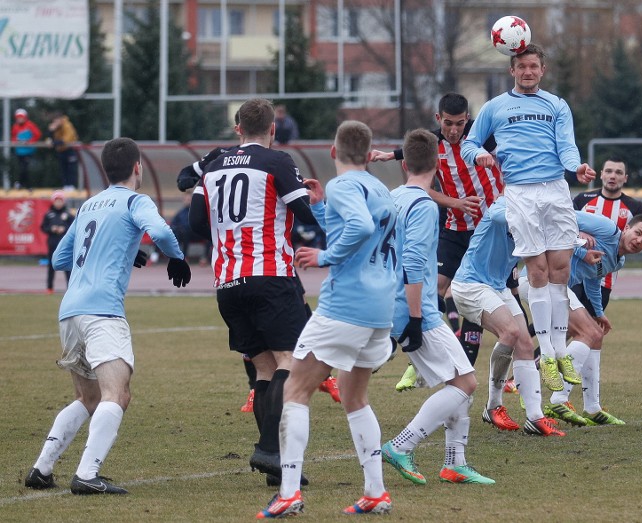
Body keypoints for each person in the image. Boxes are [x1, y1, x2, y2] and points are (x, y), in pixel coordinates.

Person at [24, 137, 191, 495]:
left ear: (104, 170)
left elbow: (58, 260)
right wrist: (176, 256)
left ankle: (42, 468)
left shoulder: (88, 205)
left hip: (70, 311)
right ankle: (87, 474)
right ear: (137, 168)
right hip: (102, 312)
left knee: (89, 398)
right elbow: (161, 231)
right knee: (118, 394)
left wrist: (119, 251)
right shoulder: (135, 199)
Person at [256, 120, 398, 518]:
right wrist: (320, 209)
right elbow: (364, 235)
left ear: (333, 153)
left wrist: (325, 257)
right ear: (370, 155)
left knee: (294, 390)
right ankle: (375, 492)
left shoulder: (345, 185)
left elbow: (358, 228)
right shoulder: (379, 188)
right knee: (355, 398)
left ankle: (288, 493)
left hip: (346, 304)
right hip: (379, 309)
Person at [188, 98, 317, 486]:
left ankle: (276, 464)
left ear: (238, 128)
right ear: (273, 129)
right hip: (269, 277)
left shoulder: (210, 168)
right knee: (291, 362)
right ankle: (268, 447)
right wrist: (311, 199)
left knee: (264, 368)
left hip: (227, 282)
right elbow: (307, 216)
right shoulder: (277, 162)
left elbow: (196, 223)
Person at [461, 43, 596, 394]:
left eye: (533, 66)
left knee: (560, 270)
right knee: (536, 271)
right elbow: (469, 142)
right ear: (512, 70)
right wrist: (479, 156)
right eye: (521, 66)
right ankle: (549, 354)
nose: (528, 72)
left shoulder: (556, 105)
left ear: (542, 70)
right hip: (520, 192)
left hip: (555, 189)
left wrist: (576, 166)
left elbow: (566, 145)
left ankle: (561, 350)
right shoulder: (494, 107)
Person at [382, 129, 494, 486]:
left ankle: (454, 463)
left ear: (404, 163)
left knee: (457, 376)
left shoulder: (391, 197)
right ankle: (402, 444)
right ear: (436, 163)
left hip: (394, 303)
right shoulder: (423, 205)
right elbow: (414, 262)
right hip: (415, 307)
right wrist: (415, 318)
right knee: (466, 382)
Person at [372, 93, 503, 389]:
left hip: (488, 232)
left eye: (459, 123)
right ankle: (415, 359)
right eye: (448, 124)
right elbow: (414, 165)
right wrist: (387, 156)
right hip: (454, 229)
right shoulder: (433, 145)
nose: (454, 130)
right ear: (438, 119)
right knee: (435, 288)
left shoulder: (483, 139)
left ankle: (495, 375)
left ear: (468, 119)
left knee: (489, 296)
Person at [451, 195, 564, 436]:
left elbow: (571, 219)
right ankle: (493, 405)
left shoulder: (540, 214)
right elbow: (497, 215)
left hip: (498, 287)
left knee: (524, 342)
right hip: (470, 285)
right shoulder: (505, 203)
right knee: (510, 332)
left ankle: (535, 417)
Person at [543, 212, 642, 426]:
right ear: (626, 229)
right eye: (638, 233)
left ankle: (592, 408)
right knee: (589, 333)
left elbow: (593, 280)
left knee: (596, 335)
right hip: (546, 282)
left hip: (560, 289)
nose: (639, 241)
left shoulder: (618, 261)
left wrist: (599, 313)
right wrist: (578, 241)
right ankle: (558, 400)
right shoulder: (606, 228)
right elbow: (561, 214)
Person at [573, 155, 642, 309]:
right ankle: (530, 332)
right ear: (602, 174)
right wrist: (578, 232)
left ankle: (530, 332)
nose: (613, 176)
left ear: (625, 178)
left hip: (605, 277)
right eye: (609, 171)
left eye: (618, 173)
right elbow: (564, 222)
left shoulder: (635, 207)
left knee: (588, 326)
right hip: (577, 268)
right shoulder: (583, 199)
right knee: (571, 321)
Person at [40, 190, 74, 293]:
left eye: (60, 201)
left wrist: (64, 228)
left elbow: (74, 227)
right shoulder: (49, 214)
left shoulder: (68, 214)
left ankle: (70, 288)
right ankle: (49, 288)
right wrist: (52, 229)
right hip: (53, 244)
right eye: (56, 201)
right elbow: (43, 227)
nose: (58, 203)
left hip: (66, 245)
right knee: (51, 266)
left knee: (67, 267)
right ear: (53, 202)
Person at [11, 108, 42, 189]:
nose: (19, 119)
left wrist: (29, 141)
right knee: (22, 168)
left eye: (21, 117)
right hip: (19, 151)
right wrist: (16, 141)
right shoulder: (15, 127)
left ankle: (25, 185)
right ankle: (23, 184)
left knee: (25, 168)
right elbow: (13, 137)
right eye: (18, 117)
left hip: (28, 151)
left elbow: (37, 134)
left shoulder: (30, 125)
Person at [48, 113, 79, 190]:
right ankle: (66, 185)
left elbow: (66, 140)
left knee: (71, 169)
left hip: (70, 150)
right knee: (63, 169)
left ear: (60, 119)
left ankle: (72, 186)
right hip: (61, 151)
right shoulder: (56, 127)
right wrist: (50, 131)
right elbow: (51, 139)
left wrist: (54, 142)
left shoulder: (67, 125)